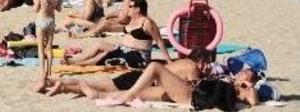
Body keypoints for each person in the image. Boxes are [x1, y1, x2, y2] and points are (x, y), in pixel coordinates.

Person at [83, 60, 259, 109]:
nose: (242, 72)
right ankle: (98, 95)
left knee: (155, 67)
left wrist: (248, 87)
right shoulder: (227, 79)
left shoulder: (243, 90)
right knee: (143, 93)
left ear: (249, 80)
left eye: (246, 73)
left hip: (191, 96)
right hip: (190, 92)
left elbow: (254, 103)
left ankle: (127, 95)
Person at [44, 48, 210, 97]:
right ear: (201, 61)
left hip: (138, 75)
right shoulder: (192, 68)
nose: (206, 67)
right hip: (143, 82)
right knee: (100, 88)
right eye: (206, 63)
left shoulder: (181, 62)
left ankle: (55, 84)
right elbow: (194, 90)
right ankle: (61, 86)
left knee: (100, 86)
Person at [65, 0, 171, 68]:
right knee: (99, 45)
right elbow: (119, 25)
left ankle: (77, 63)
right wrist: (106, 24)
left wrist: (169, 61)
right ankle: (79, 59)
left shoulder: (147, 22)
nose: (127, 9)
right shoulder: (132, 20)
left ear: (137, 9)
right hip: (123, 50)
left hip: (138, 55)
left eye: (130, 7)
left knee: (106, 54)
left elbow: (159, 41)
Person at [71, 0, 139, 39]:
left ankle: (82, 35)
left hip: (130, 24)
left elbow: (123, 18)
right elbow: (124, 11)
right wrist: (109, 16)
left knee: (105, 23)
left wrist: (116, 20)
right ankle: (92, 30)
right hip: (131, 22)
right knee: (105, 20)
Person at [32, 0, 62, 92]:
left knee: (40, 49)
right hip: (51, 21)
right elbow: (59, 9)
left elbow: (35, 9)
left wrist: (35, 0)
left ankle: (42, 72)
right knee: (49, 48)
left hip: (41, 20)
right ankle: (49, 72)